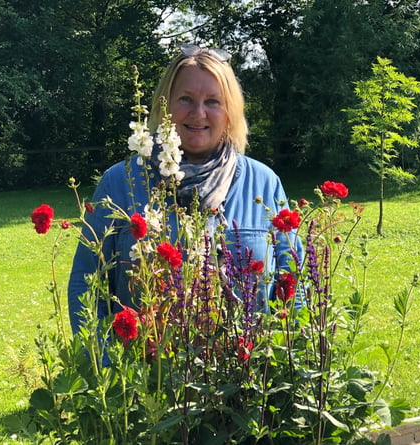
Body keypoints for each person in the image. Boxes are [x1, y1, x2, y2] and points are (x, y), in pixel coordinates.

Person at [67, 44, 303, 335]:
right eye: (185, 99)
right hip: (145, 375)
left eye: (213, 102)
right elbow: (85, 284)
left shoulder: (263, 182)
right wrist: (106, 369)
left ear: (230, 111)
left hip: (248, 373)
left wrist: (288, 363)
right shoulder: (121, 182)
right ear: (163, 106)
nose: (198, 113)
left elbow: (295, 284)